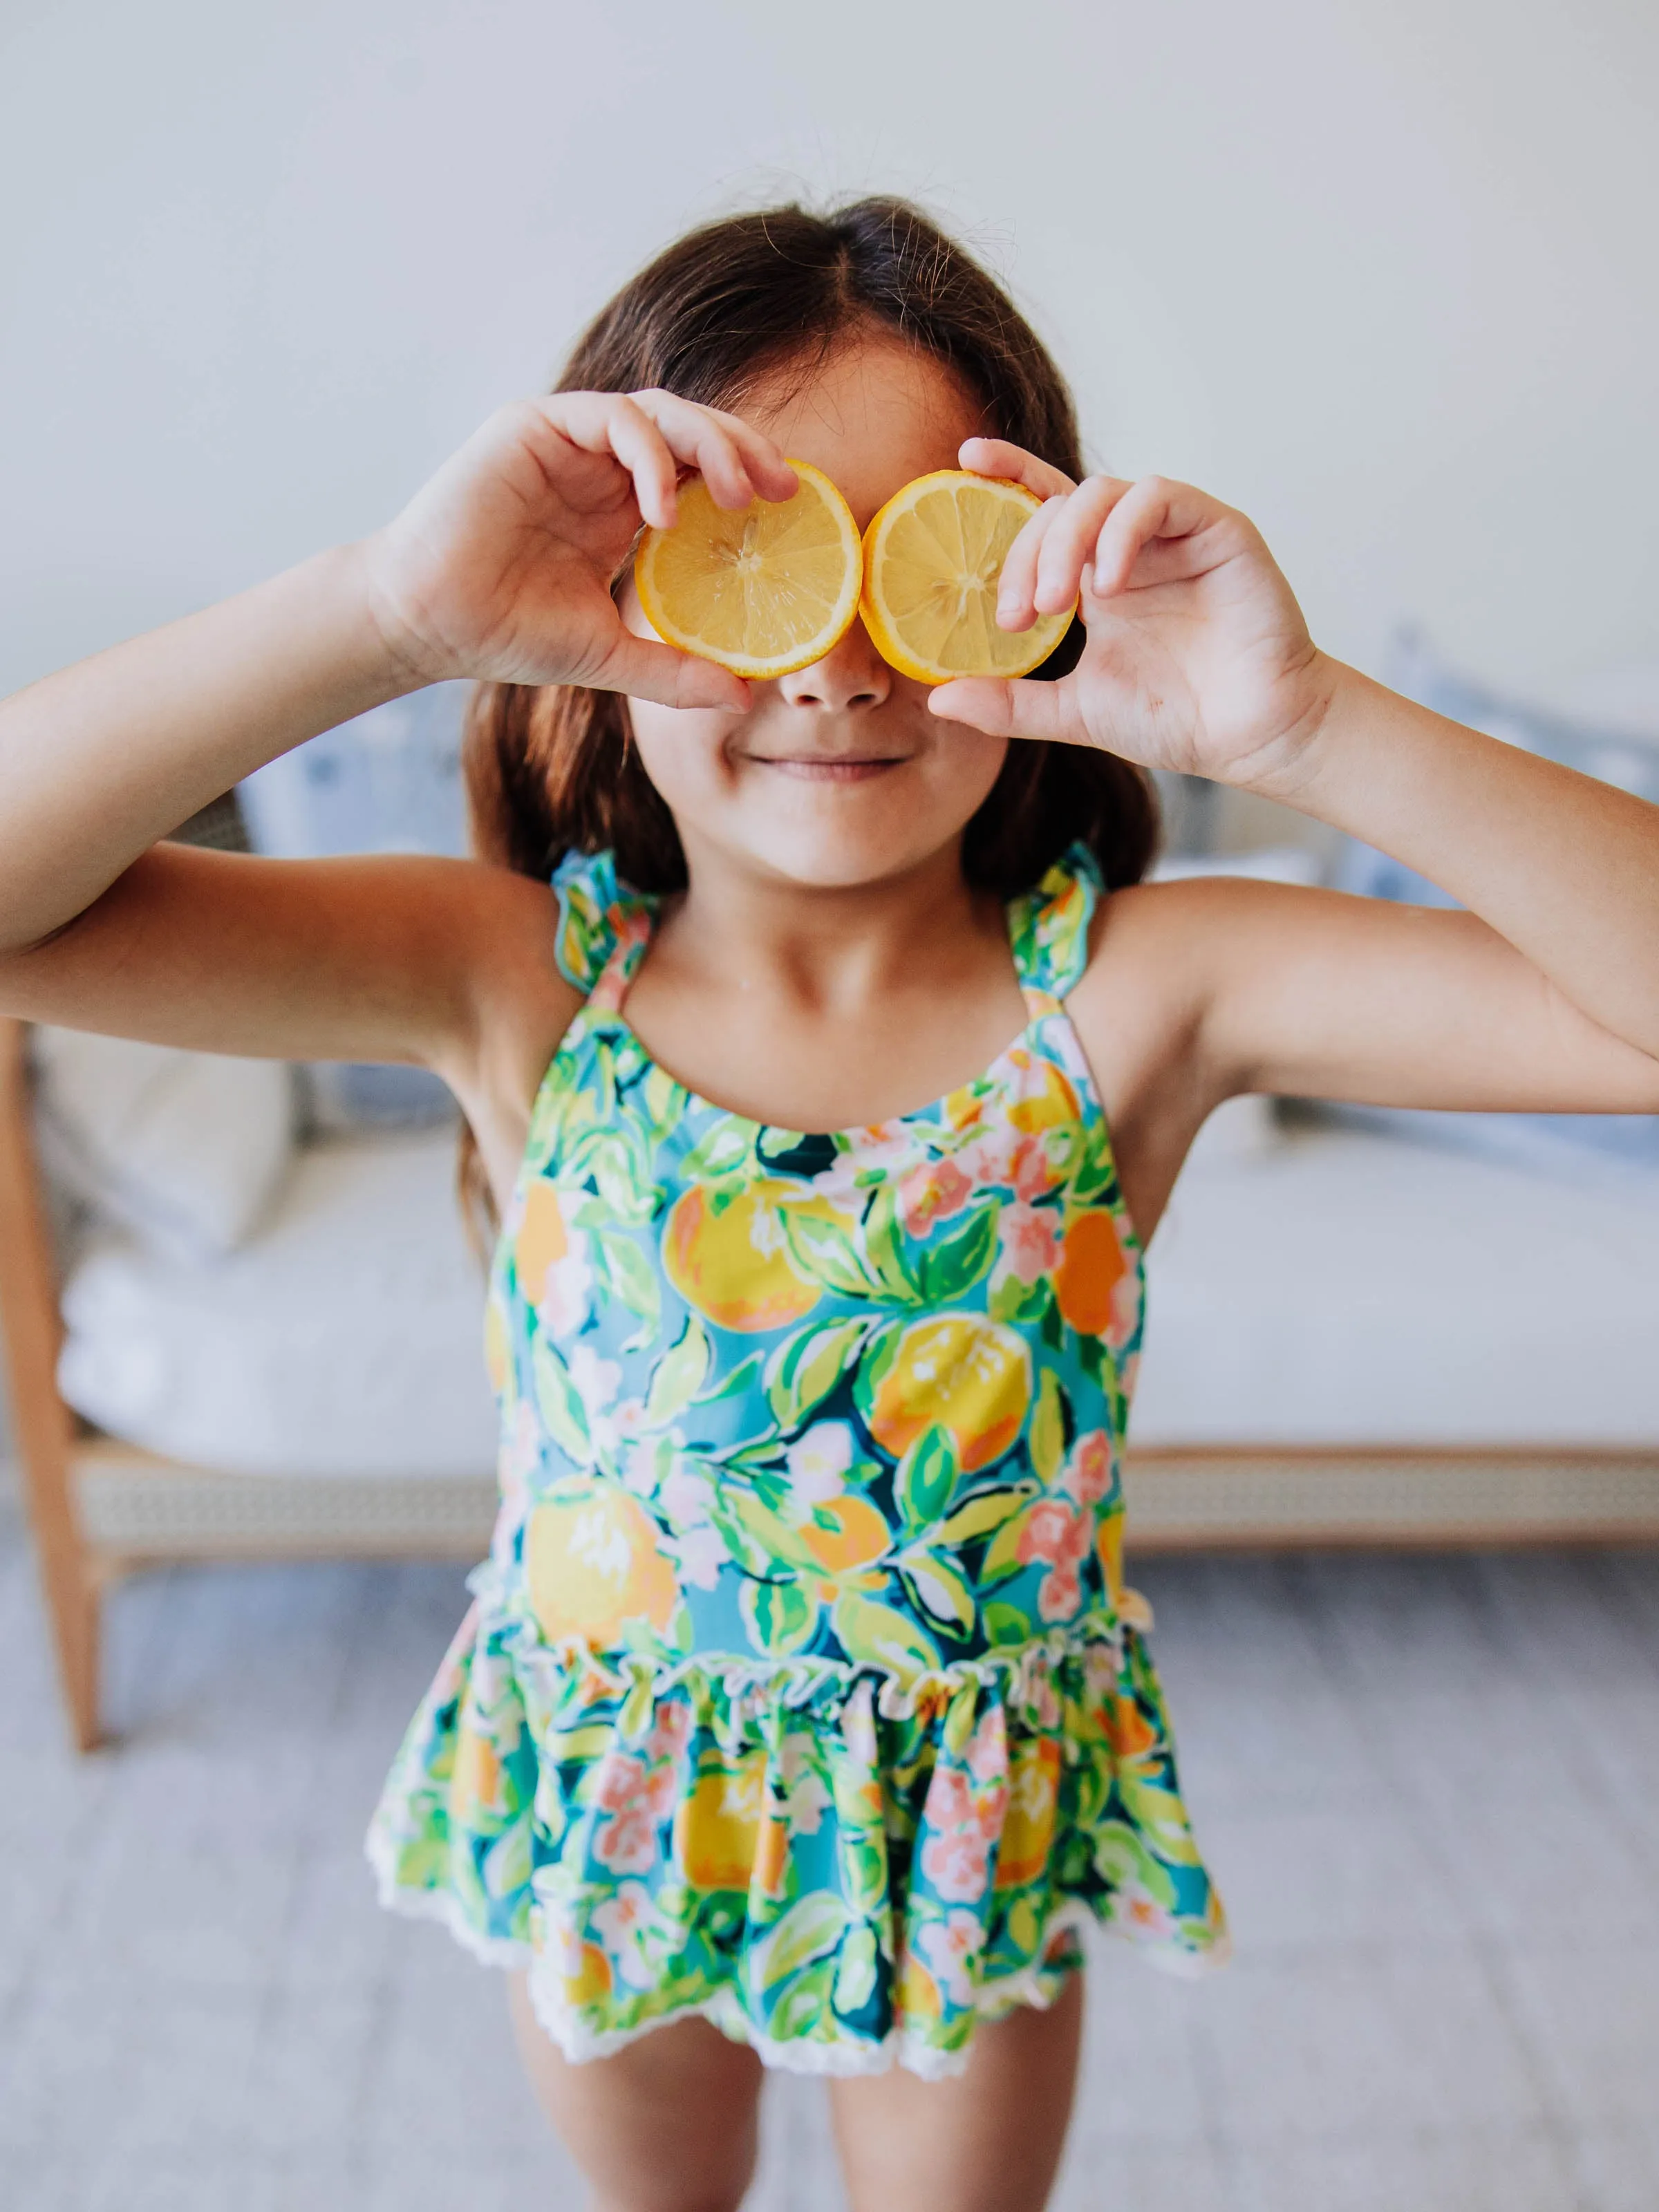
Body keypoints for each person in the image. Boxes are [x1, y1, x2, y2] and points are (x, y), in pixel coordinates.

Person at [3, 196, 1658, 2212]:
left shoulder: (1144, 992)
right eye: (758, 570)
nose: (842, 662)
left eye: (919, 577)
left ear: (1032, 598)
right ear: (605, 601)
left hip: (963, 1849)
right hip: (614, 1811)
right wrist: (387, 611)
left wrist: (1309, 726)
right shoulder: (513, 977)